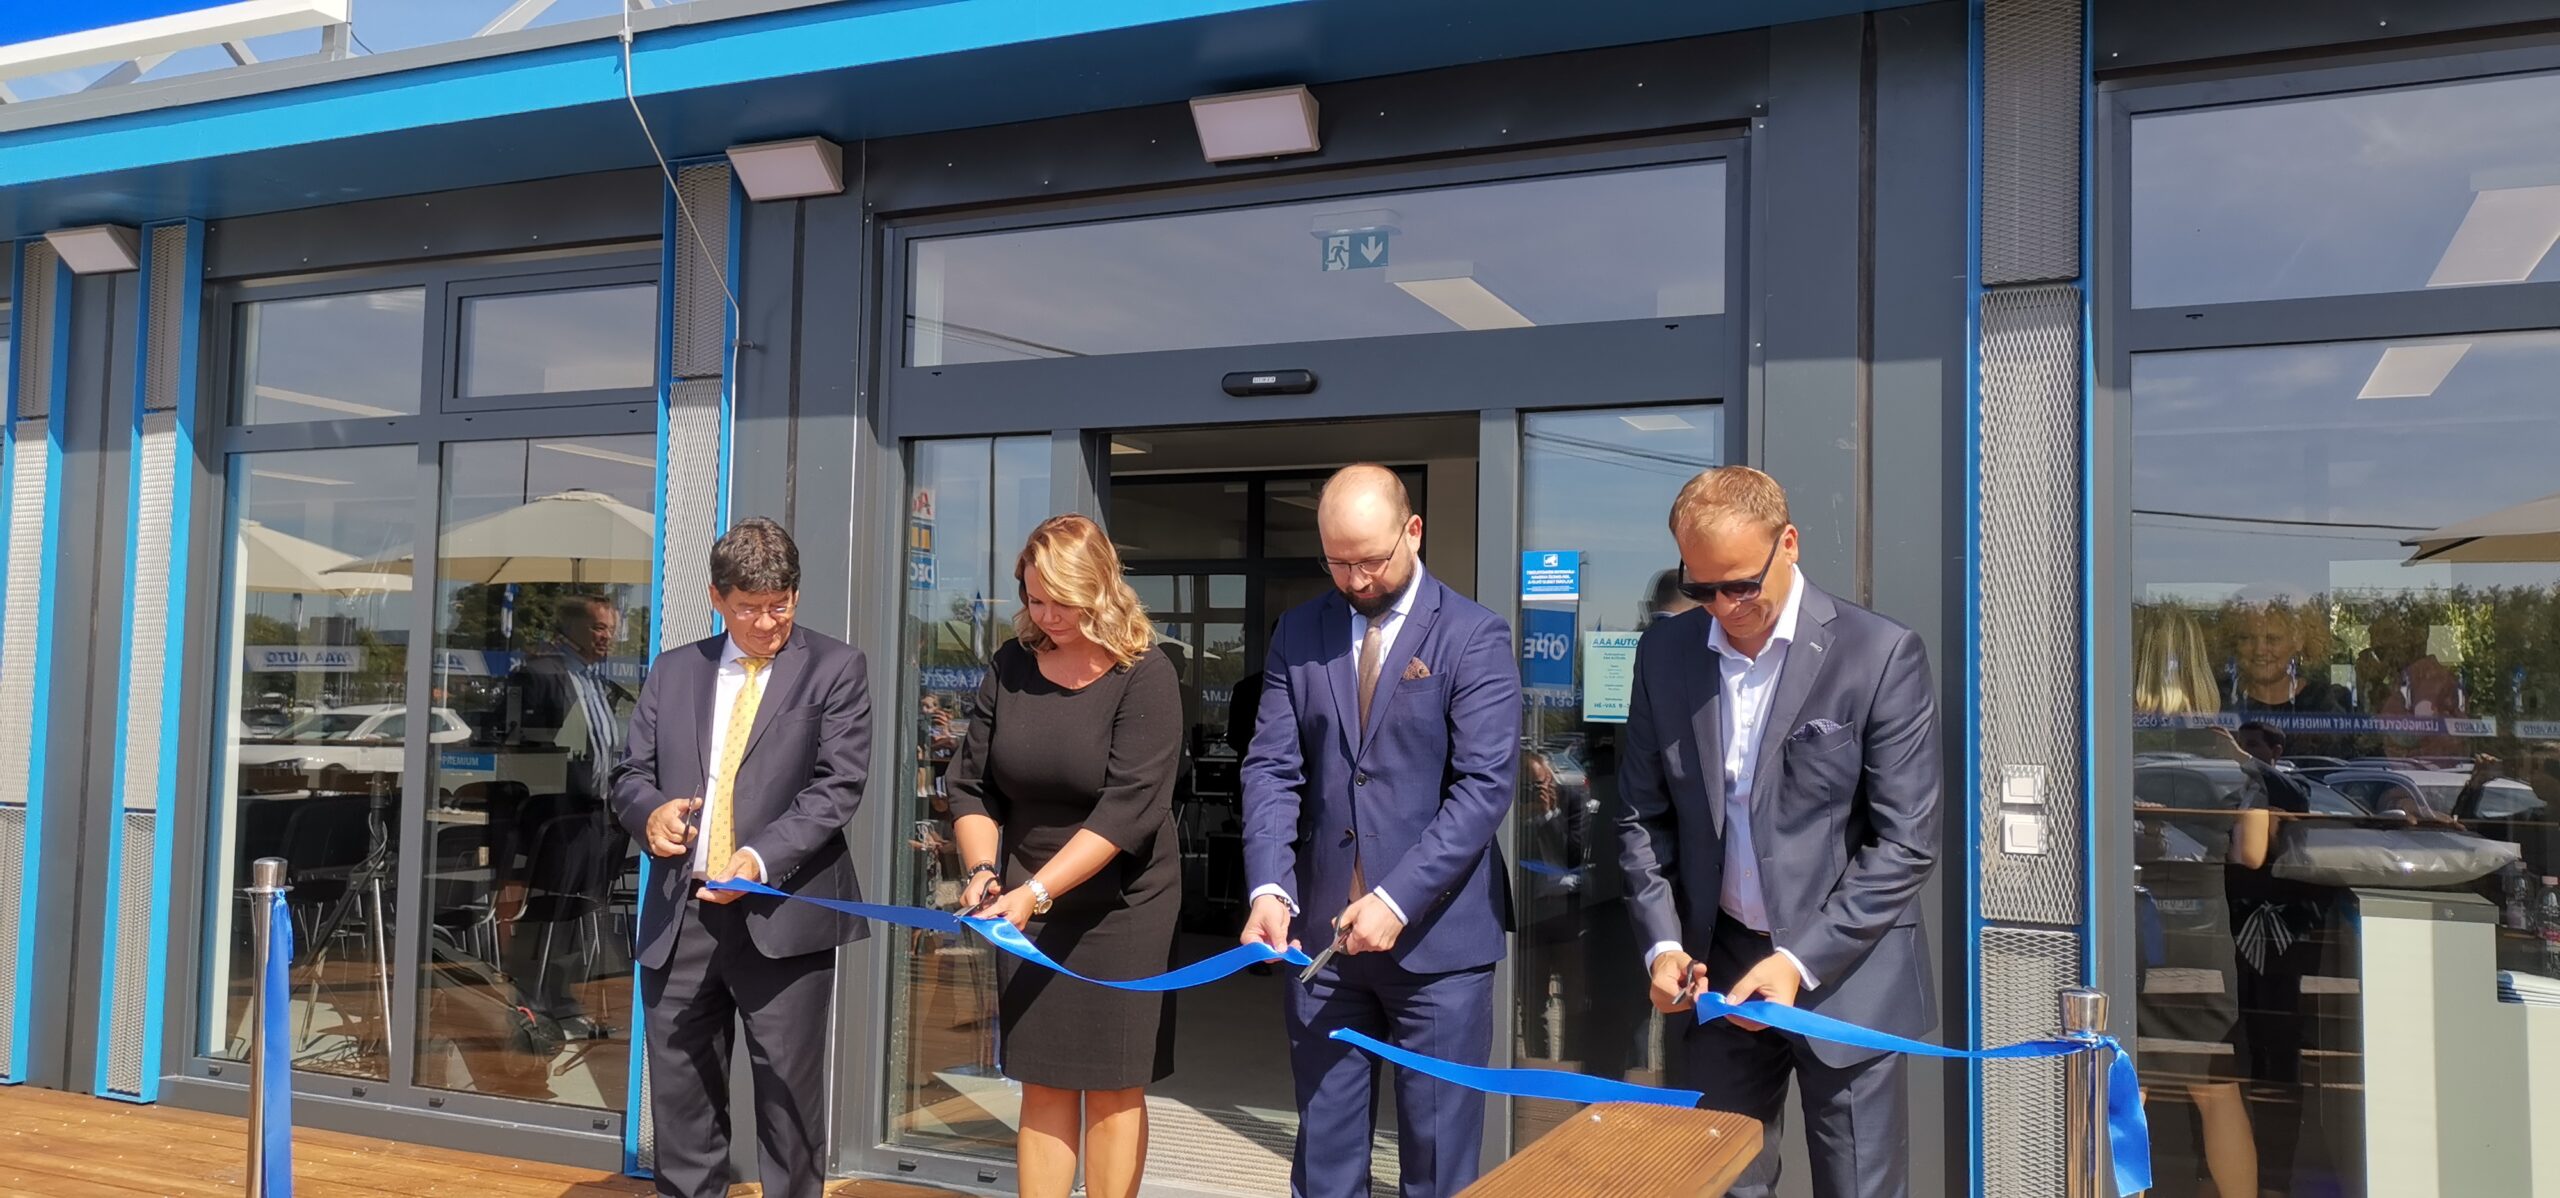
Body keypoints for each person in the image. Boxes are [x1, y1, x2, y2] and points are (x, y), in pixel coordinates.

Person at [1615, 466, 1941, 1198]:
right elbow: (1642, 817)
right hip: (1720, 972)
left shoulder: (1879, 653)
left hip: (1848, 977)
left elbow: (1905, 842)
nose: (1723, 607)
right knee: (1725, 1184)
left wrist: (1799, 961)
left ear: (1788, 544)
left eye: (1740, 585)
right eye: (1701, 588)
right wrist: (1663, 944)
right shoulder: (1665, 654)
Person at [1239, 463, 1521, 1198]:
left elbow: (1484, 787)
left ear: (1413, 531)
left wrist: (1396, 899)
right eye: (1338, 563)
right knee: (1325, 1164)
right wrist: (1269, 886)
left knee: (1437, 1167)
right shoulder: (1300, 630)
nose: (1357, 579)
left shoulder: (1473, 634)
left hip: (1439, 945)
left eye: (1371, 559)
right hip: (1323, 944)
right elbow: (1272, 767)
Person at [608, 517, 872, 1198]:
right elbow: (629, 774)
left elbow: (838, 786)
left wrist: (758, 858)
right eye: (749, 607)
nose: (766, 623)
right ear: (717, 598)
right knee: (682, 1098)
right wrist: (649, 813)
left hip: (781, 914)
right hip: (682, 916)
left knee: (788, 1102)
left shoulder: (836, 667)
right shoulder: (674, 671)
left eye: (780, 605)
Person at [945, 513, 1184, 1198]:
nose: (1045, 616)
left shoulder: (1146, 675)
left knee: (1113, 1085)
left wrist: (1037, 891)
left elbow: (1128, 808)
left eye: (1062, 602)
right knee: (1042, 1079)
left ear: (1100, 590)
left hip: (1123, 906)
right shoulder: (1010, 665)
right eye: (1034, 598)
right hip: (1025, 901)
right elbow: (972, 785)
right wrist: (985, 872)